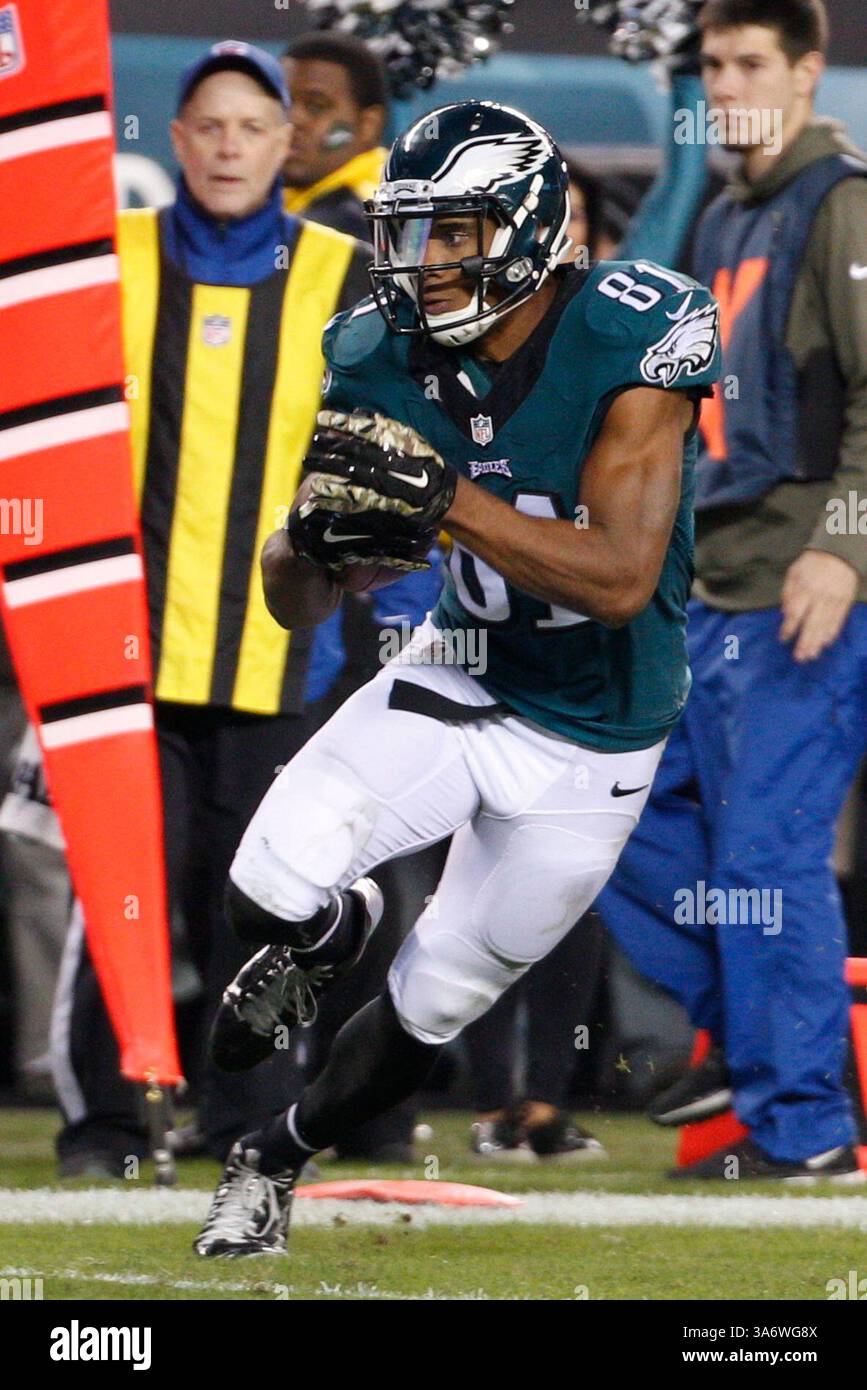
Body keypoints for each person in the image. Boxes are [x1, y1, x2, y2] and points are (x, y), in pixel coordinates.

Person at [192, 96, 721, 1257]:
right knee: (265, 888)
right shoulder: (379, 352)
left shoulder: (636, 330)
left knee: (432, 1009)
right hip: (462, 675)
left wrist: (444, 499)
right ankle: (334, 929)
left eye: (456, 232)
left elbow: (624, 577)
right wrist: (312, 543)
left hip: (599, 733)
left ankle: (272, 1156)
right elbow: (296, 597)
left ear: (529, 232)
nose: (425, 263)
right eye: (412, 230)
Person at [51, 40, 374, 1174]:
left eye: (254, 126)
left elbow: (387, 453)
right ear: (175, 142)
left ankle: (248, 1124)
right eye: (211, 126)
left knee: (264, 906)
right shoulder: (111, 260)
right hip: (122, 657)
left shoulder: (342, 275)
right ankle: (105, 1122)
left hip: (278, 657)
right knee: (117, 896)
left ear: (288, 144)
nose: (231, 145)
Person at [599, 0, 867, 1179]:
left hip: (803, 591)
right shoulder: (720, 214)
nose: (727, 82)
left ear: (807, 73)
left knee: (766, 859)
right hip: (708, 591)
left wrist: (847, 546)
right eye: (712, 63)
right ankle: (746, 1030)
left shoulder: (845, 204)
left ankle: (804, 1127)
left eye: (751, 61)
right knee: (610, 819)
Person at [281, 32, 388, 241]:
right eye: (283, 103)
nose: (292, 119)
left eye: (316, 106)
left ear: (369, 125)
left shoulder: (356, 221)